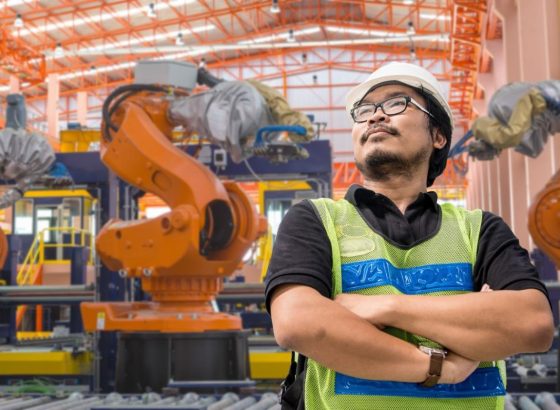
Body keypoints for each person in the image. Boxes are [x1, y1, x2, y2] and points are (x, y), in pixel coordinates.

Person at [265, 62, 554, 410]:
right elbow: (300, 323)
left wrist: (384, 306)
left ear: (438, 135)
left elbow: (532, 324)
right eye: (365, 111)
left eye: (396, 104)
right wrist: (441, 367)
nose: (375, 117)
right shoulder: (316, 220)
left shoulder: (479, 230)